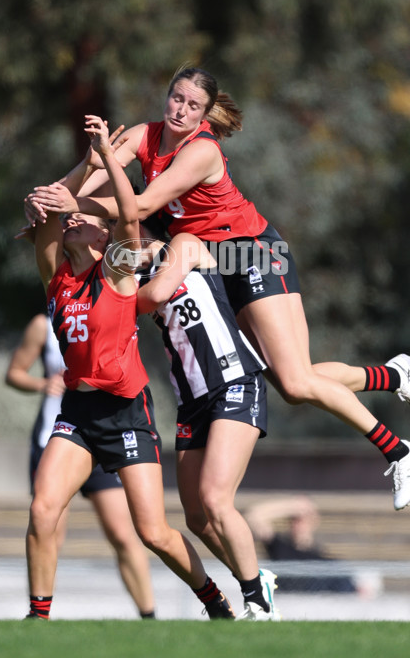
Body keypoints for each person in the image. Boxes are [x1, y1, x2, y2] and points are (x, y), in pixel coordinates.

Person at [25, 67, 410, 512]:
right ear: (167, 97)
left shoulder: (201, 150)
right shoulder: (145, 135)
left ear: (204, 114)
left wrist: (73, 202)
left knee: (296, 381)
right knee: (288, 381)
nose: (181, 110)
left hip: (252, 255)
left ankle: (399, 451)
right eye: (177, 99)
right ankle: (395, 376)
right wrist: (47, 199)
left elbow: (138, 206)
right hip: (214, 262)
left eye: (193, 105)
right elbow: (87, 178)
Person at [22, 116, 234, 620]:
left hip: (126, 413)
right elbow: (55, 205)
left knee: (153, 532)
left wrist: (110, 171)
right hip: (78, 410)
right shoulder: (57, 278)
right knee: (42, 509)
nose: (79, 220)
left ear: (102, 241)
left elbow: (130, 220)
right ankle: (38, 616)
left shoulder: (114, 271)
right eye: (77, 220)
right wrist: (90, 160)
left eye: (89, 221)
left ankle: (216, 602)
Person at [135, 221, 279, 620]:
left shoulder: (184, 245)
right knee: (197, 517)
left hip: (234, 382)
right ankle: (255, 578)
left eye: (120, 222)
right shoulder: (129, 272)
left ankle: (258, 602)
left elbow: (158, 294)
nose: (116, 232)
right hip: (191, 400)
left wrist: (118, 296)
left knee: (216, 498)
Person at [5, 312, 156, 618]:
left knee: (123, 534)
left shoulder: (108, 309)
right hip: (56, 438)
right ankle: (39, 614)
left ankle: (149, 617)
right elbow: (14, 373)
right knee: (47, 529)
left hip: (102, 438)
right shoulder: (42, 325)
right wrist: (41, 383)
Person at [244, 496, 368, 595]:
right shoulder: (280, 547)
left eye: (303, 518)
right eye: (294, 518)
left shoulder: (325, 561)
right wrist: (292, 506)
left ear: (314, 520)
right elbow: (254, 516)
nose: (298, 523)